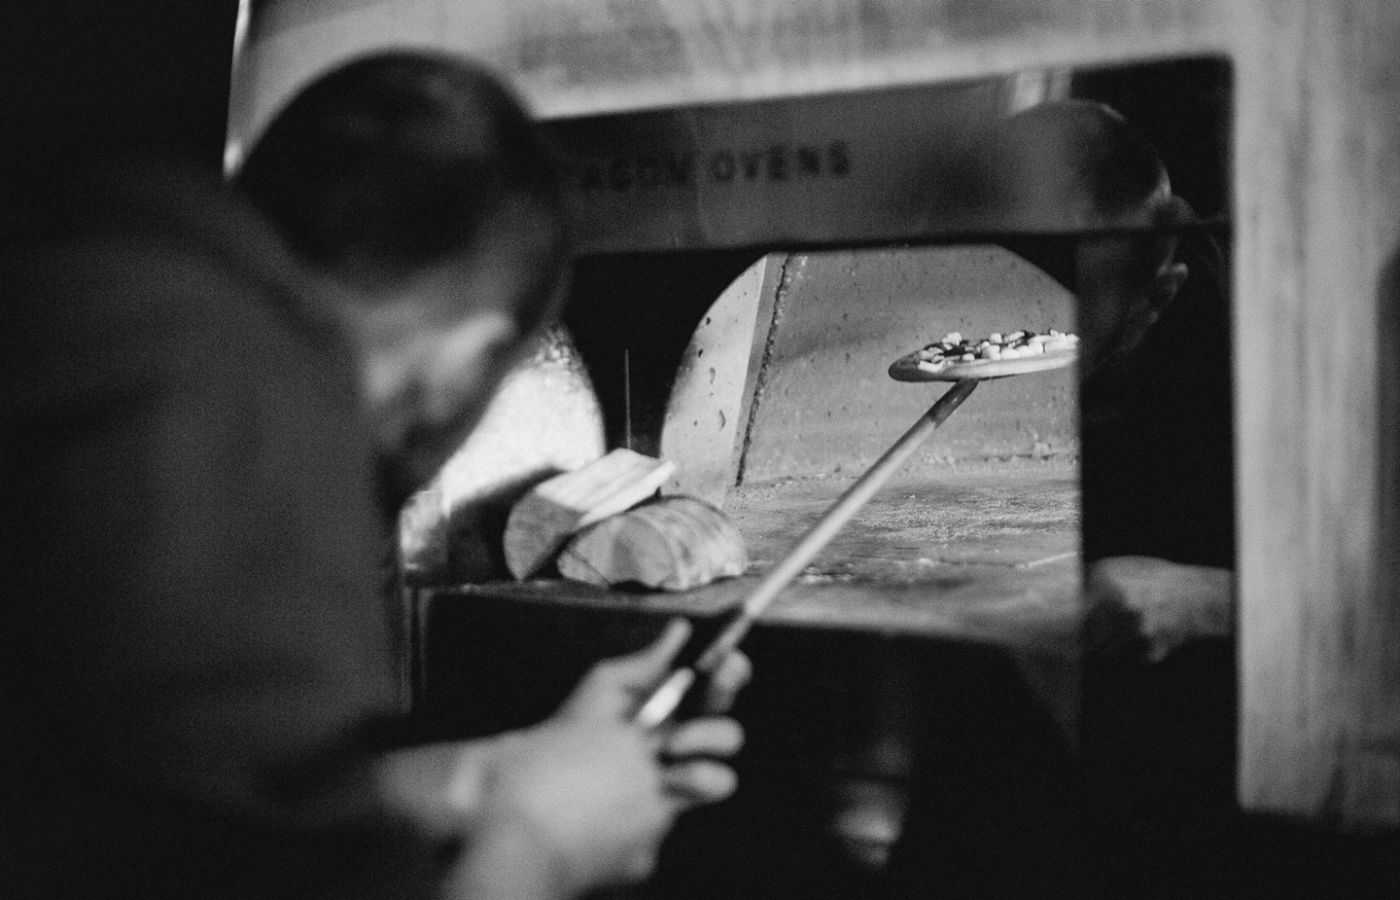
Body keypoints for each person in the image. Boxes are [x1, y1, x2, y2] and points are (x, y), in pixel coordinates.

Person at [0, 51, 747, 899]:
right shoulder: (237, 391)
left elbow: (130, 823)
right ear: (459, 360)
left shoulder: (100, 295)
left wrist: (483, 779)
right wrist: (541, 841)